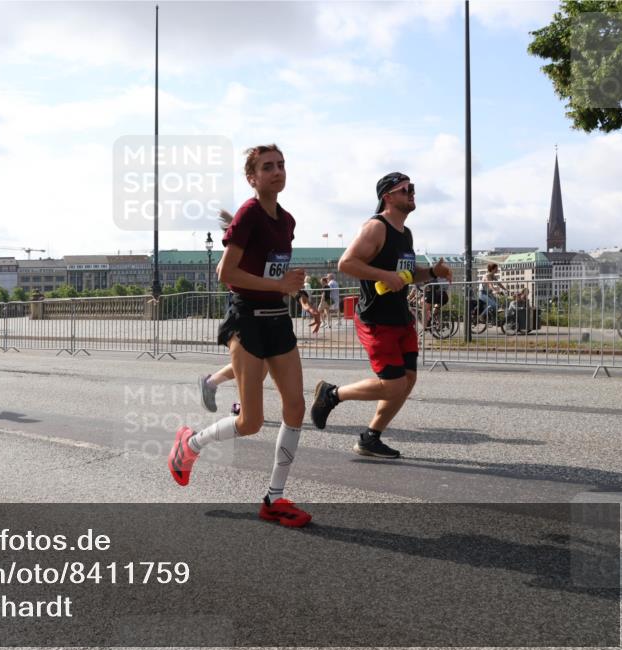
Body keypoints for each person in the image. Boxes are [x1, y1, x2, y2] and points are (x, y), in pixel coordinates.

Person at [170, 144, 321, 528]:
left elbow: (278, 272)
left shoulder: (286, 220)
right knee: (251, 422)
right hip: (248, 319)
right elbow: (226, 273)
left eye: (282, 165)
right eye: (268, 167)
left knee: (296, 408)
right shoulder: (249, 214)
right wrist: (279, 284)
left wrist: (299, 294)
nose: (277, 171)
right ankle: (190, 445)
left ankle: (274, 498)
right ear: (252, 178)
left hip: (277, 320)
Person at [310, 172, 452, 459]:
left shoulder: (405, 234)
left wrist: (433, 273)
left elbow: (407, 276)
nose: (412, 193)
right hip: (376, 318)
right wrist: (383, 274)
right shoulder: (376, 227)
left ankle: (370, 437)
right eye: (405, 189)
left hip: (401, 317)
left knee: (408, 381)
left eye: (413, 188)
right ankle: (331, 394)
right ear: (388, 196)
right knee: (393, 385)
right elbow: (346, 263)